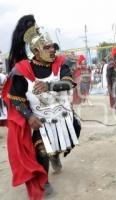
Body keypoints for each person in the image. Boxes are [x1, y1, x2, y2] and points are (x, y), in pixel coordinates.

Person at [2, 15, 81, 199]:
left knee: (74, 132)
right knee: (42, 149)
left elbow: (69, 83)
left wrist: (50, 86)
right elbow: (15, 97)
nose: (53, 49)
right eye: (47, 47)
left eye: (53, 46)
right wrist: (29, 116)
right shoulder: (22, 70)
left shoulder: (61, 63)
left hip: (63, 116)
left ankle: (56, 156)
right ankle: (44, 181)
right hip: (41, 120)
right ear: (36, 50)